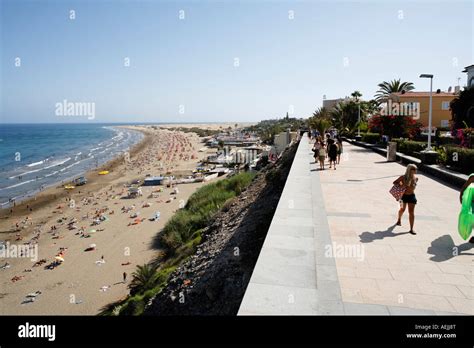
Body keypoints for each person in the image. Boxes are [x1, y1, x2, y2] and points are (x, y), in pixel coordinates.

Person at [394, 164, 418, 234]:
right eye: (414, 169)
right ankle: (399, 219)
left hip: (412, 196)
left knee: (411, 212)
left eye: (415, 169)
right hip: (402, 196)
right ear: (409, 170)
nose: (415, 171)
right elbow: (395, 182)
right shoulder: (403, 177)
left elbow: (413, 187)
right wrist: (402, 184)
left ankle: (411, 229)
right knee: (402, 209)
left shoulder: (416, 178)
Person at [459, 173, 474, 243]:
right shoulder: (472, 177)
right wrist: (461, 198)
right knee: (472, 220)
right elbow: (464, 188)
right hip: (472, 204)